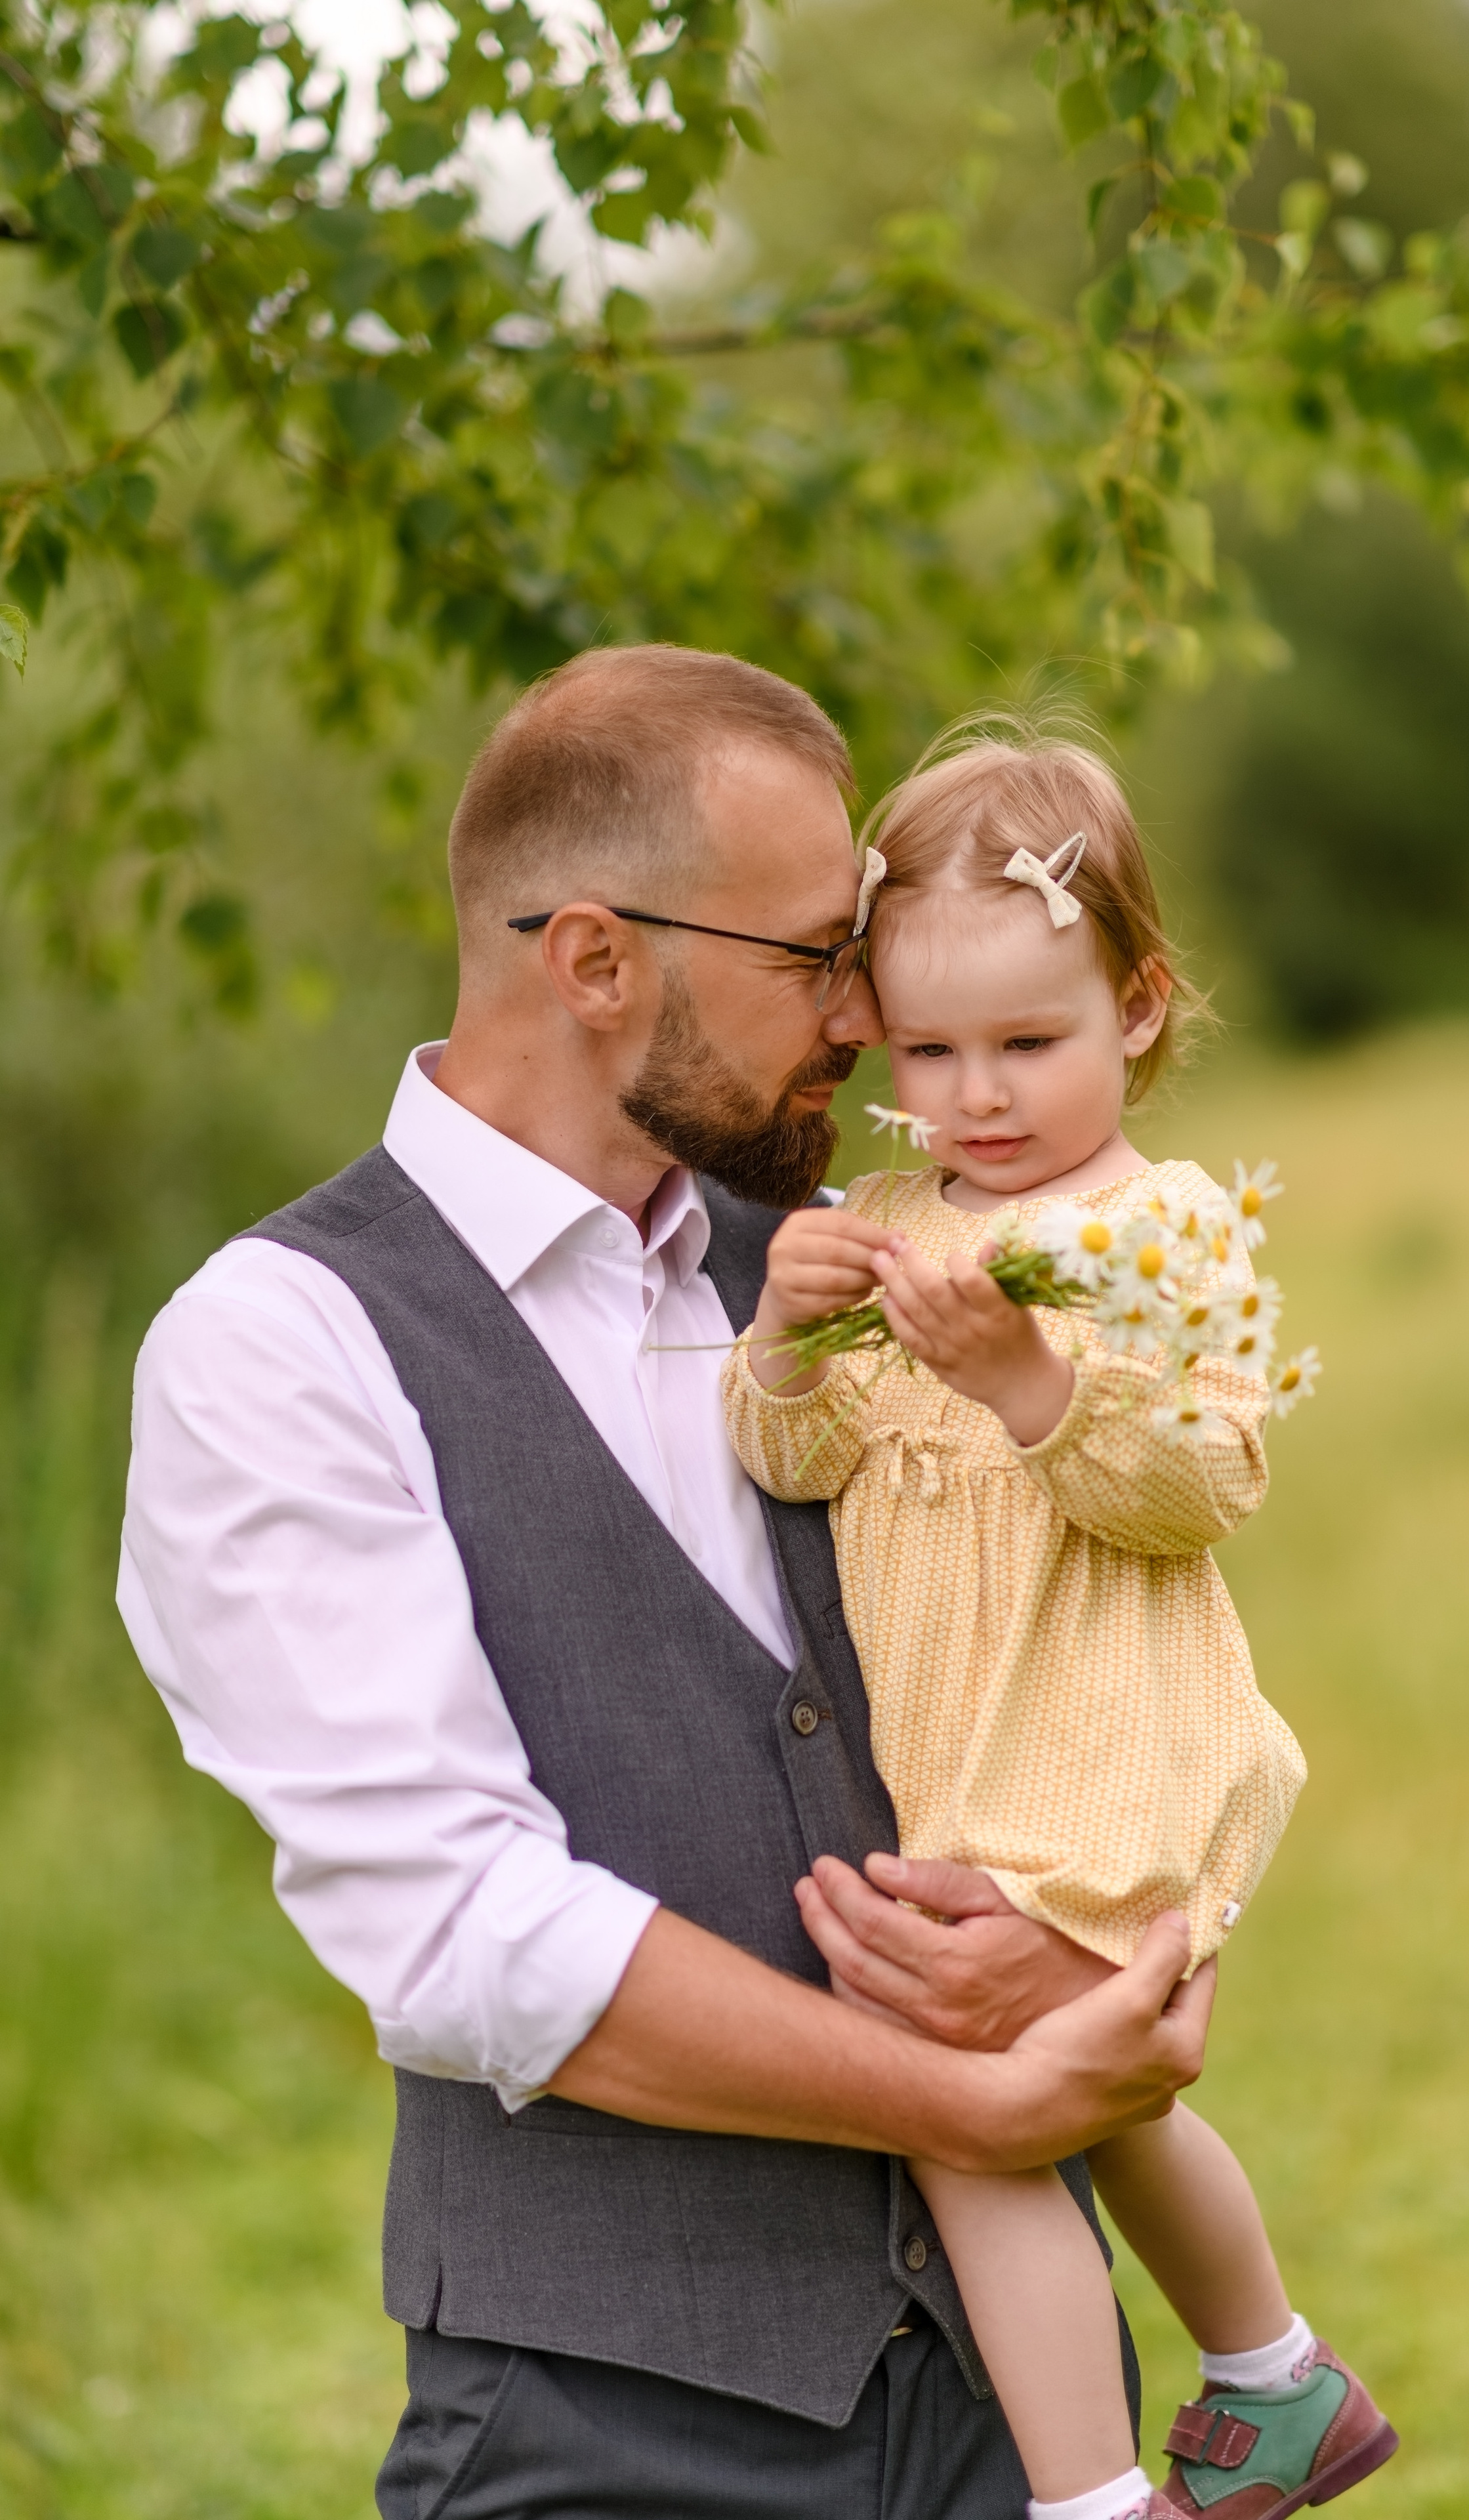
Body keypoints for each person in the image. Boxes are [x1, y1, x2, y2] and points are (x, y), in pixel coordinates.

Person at [117, 646, 1216, 2520]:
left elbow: (1128, 1636)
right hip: (607, 2433)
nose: (871, 1014)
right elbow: (468, 1934)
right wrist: (966, 2100)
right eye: (813, 956)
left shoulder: (869, 1264)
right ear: (599, 959)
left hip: (1020, 2422)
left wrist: (1112, 1940)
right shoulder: (280, 1345)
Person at [724, 725, 1399, 2520]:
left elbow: (1200, 1487)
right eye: (932, 1051)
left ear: (1143, 1008)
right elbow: (790, 1469)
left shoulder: (1163, 1231)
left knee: (963, 2120)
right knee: (1096, 2097)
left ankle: (1089, 2499)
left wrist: (1031, 1378)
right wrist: (786, 1338)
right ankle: (1275, 2382)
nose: (980, 1096)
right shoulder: (876, 1227)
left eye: (1030, 1042)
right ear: (872, 1024)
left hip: (1104, 1742)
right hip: (958, 1760)